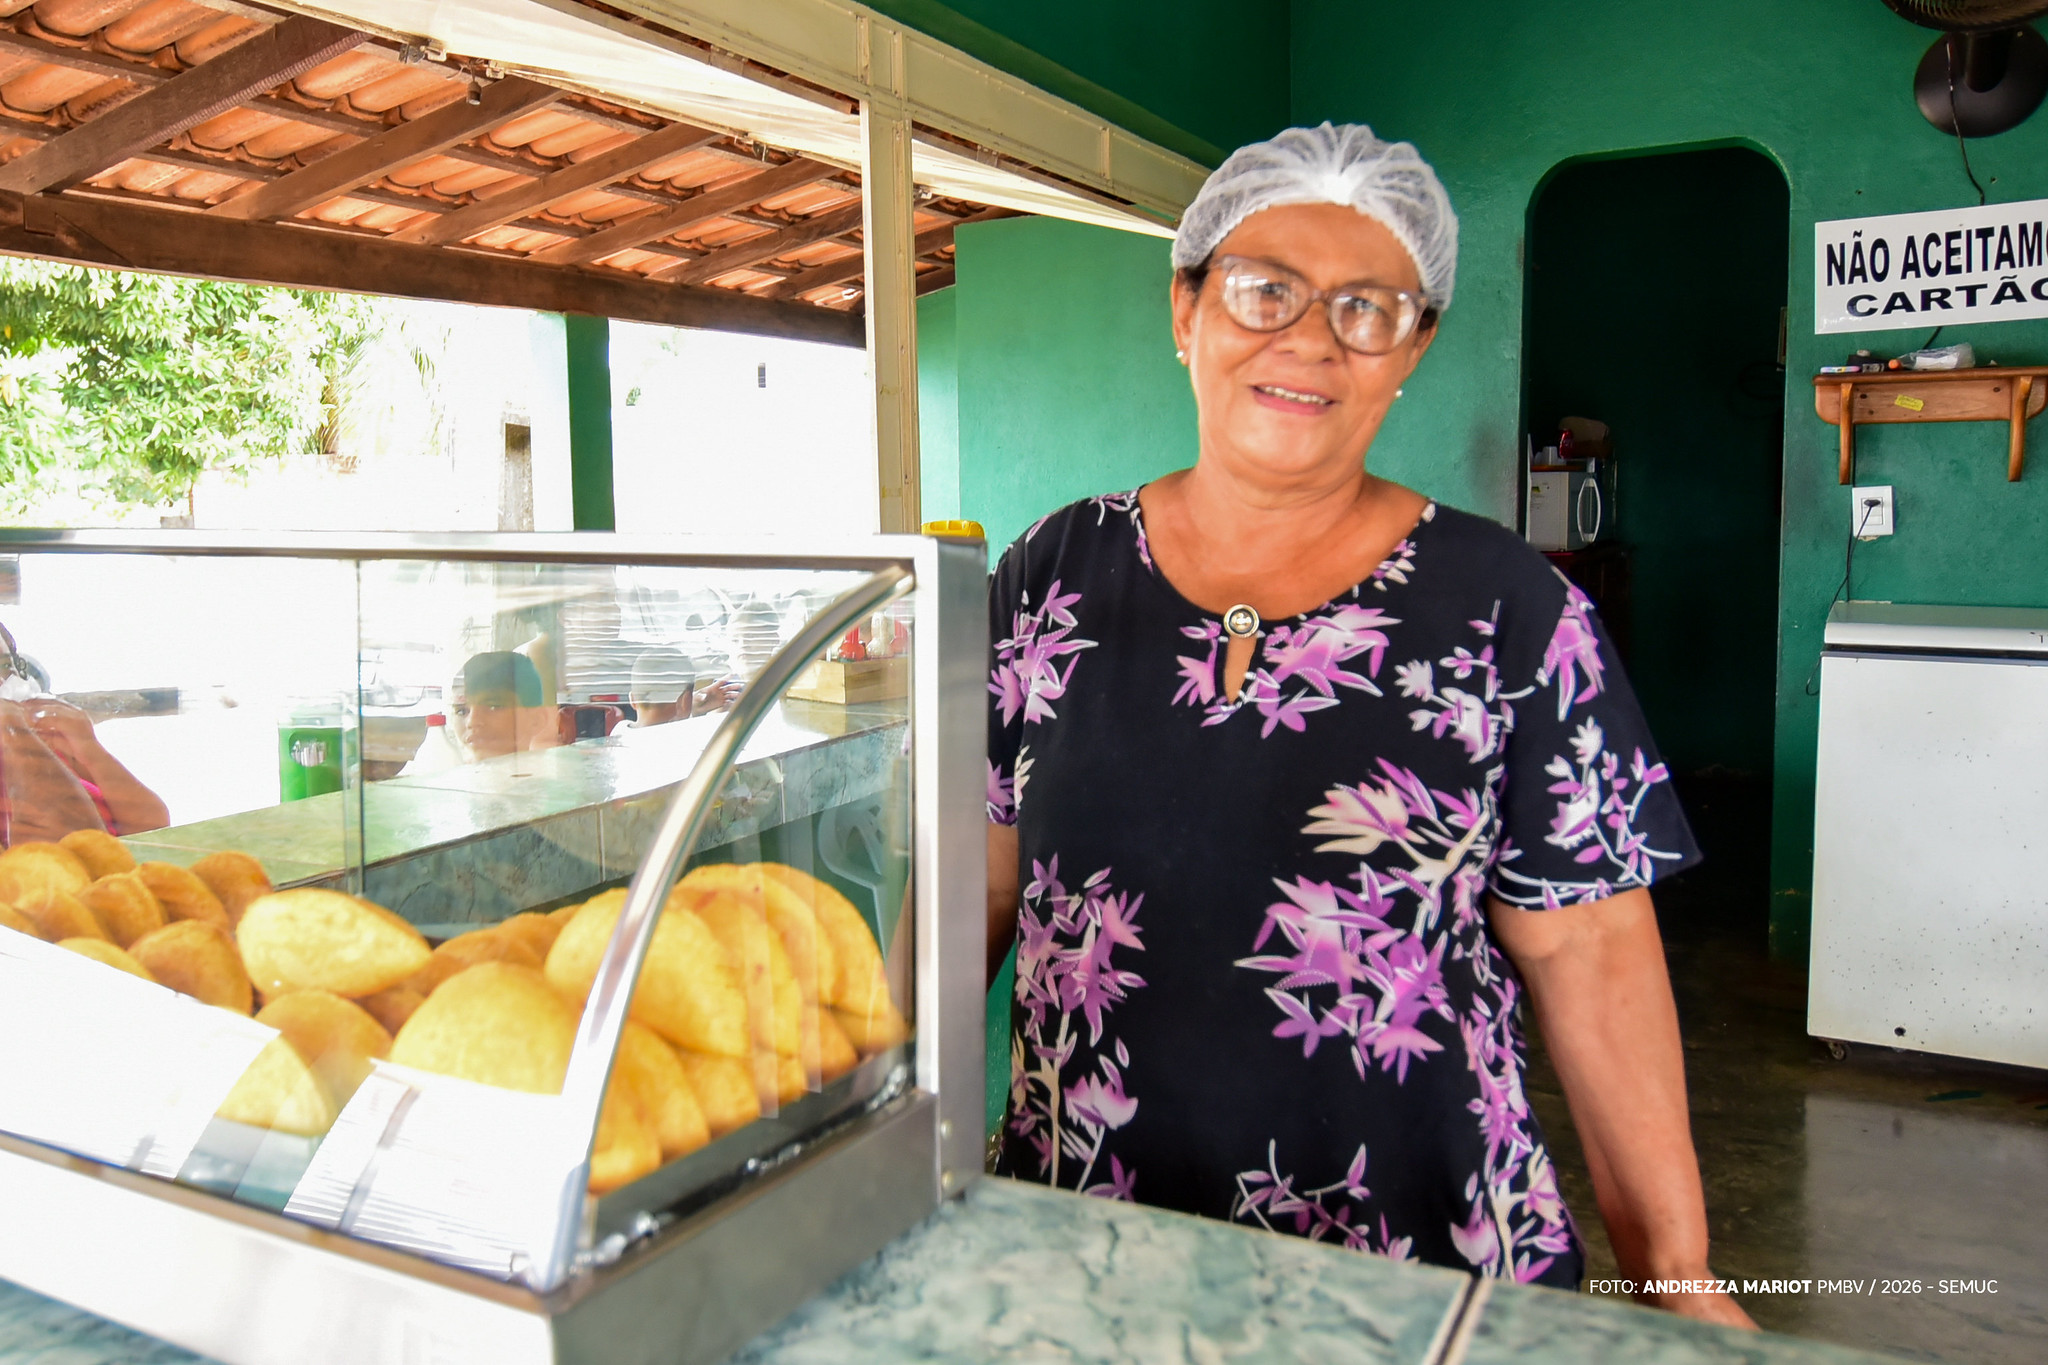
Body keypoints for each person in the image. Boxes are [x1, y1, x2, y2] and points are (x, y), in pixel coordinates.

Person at [985, 124, 1752, 1327]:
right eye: (1262, 291)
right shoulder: (1050, 574)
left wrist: (1678, 1277)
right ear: (1183, 311)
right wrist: (873, 1136)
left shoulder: (1509, 610)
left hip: (1419, 1261)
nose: (1306, 340)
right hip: (1084, 1232)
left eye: (1365, 309)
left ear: (1411, 352)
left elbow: (1591, 956)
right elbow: (980, 883)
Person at [447, 651, 560, 761]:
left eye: (493, 706)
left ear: (536, 720)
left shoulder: (557, 775)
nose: (472, 722)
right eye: (461, 711)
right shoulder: (448, 777)